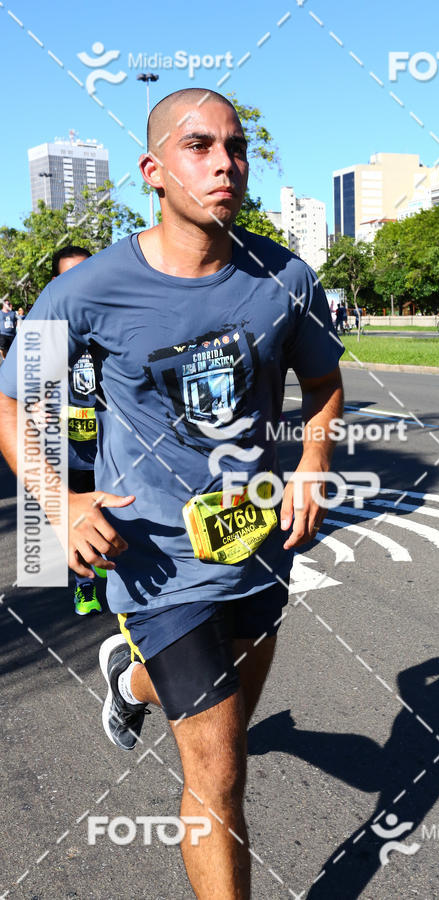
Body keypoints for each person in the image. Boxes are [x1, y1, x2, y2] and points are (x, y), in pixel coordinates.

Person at [0, 88, 344, 899]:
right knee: (221, 773)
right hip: (152, 557)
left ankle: (128, 678)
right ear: (154, 170)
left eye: (235, 145)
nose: (224, 161)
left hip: (257, 546)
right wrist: (61, 502)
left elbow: (324, 383)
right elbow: (15, 403)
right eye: (199, 146)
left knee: (230, 726)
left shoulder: (284, 276)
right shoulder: (89, 290)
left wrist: (312, 465)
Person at [51, 245, 105, 615]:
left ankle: (127, 585)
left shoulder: (113, 323)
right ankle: (85, 586)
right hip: (69, 453)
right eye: (69, 276)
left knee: (124, 520)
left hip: (113, 450)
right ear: (57, 282)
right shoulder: (46, 331)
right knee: (80, 521)